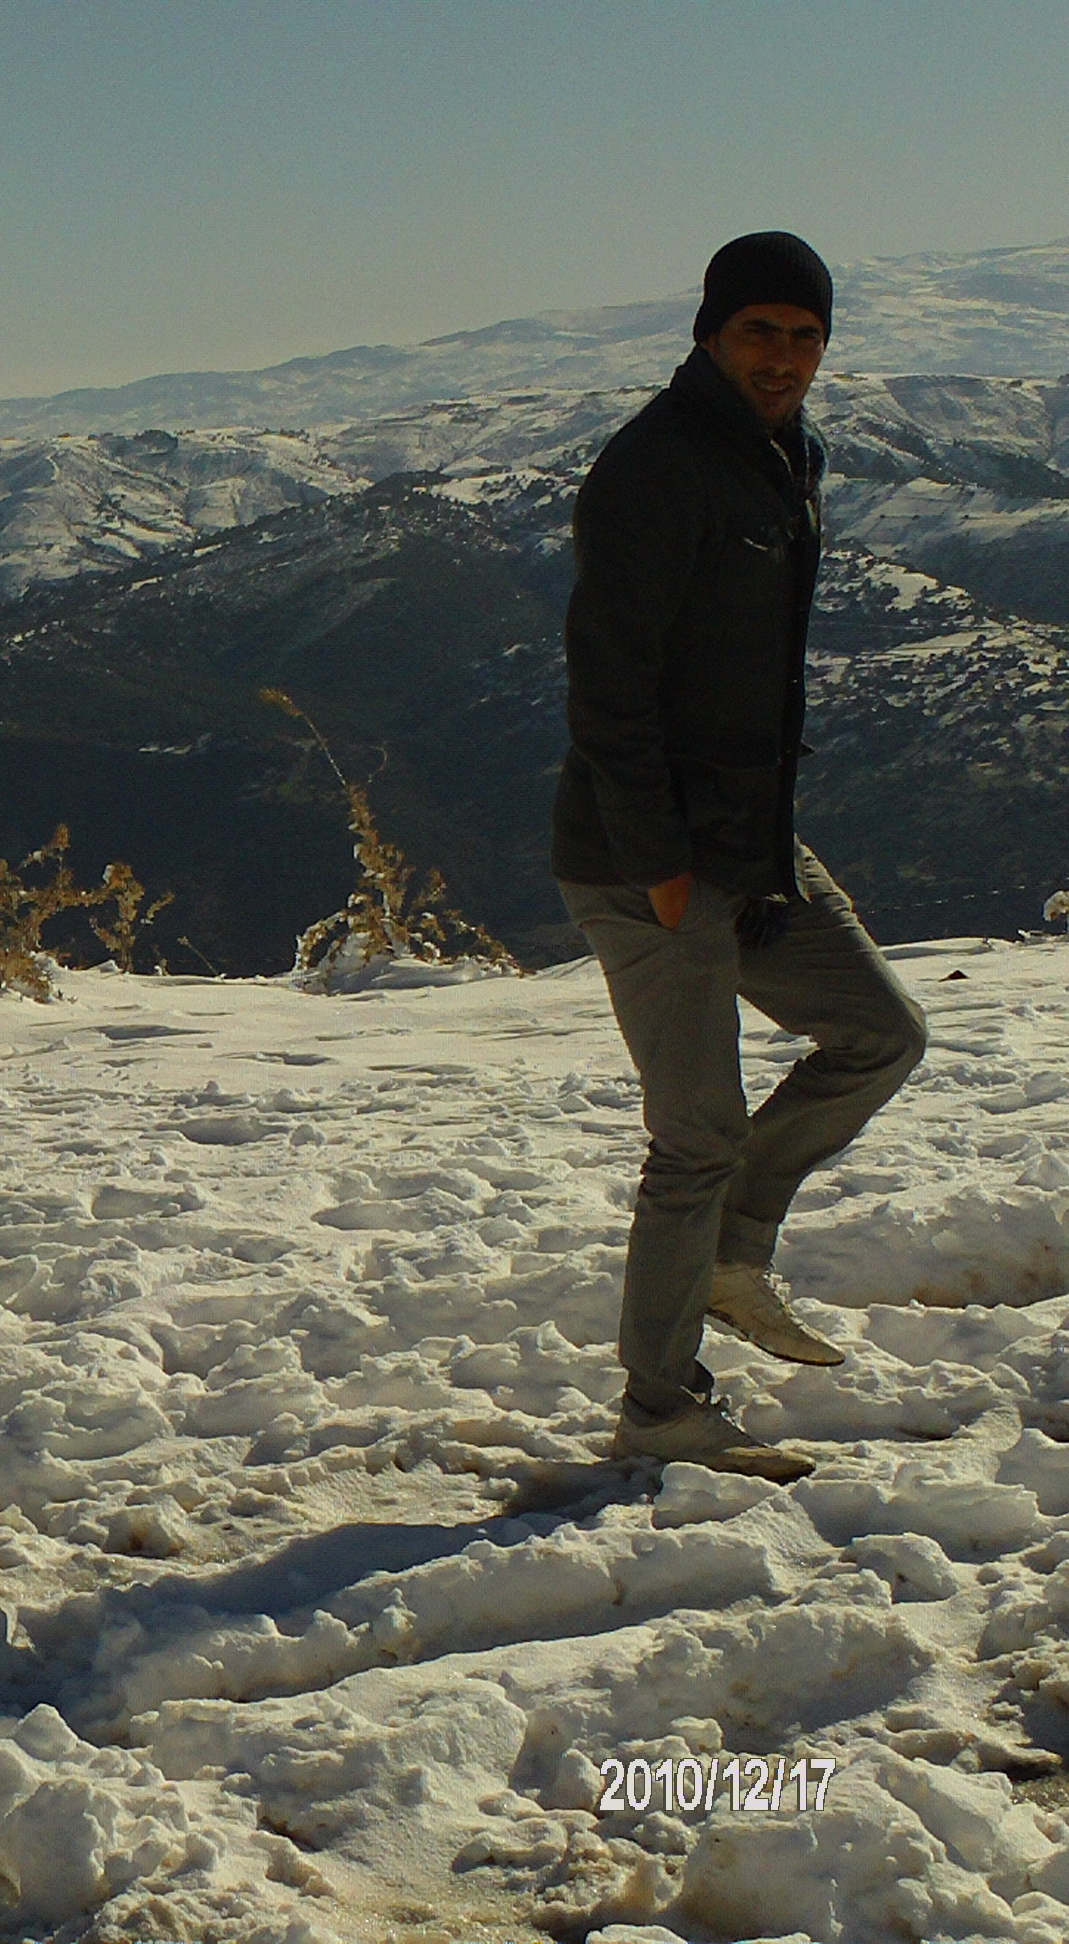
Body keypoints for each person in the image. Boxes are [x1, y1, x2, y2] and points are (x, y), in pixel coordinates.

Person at [553, 231, 929, 1481]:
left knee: (881, 1032)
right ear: (712, 332)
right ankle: (661, 1406)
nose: (785, 355)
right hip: (644, 857)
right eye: (761, 330)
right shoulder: (657, 469)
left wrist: (761, 850)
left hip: (750, 842)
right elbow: (610, 687)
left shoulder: (783, 456)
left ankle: (734, 1248)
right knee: (694, 1138)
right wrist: (665, 866)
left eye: (806, 335)